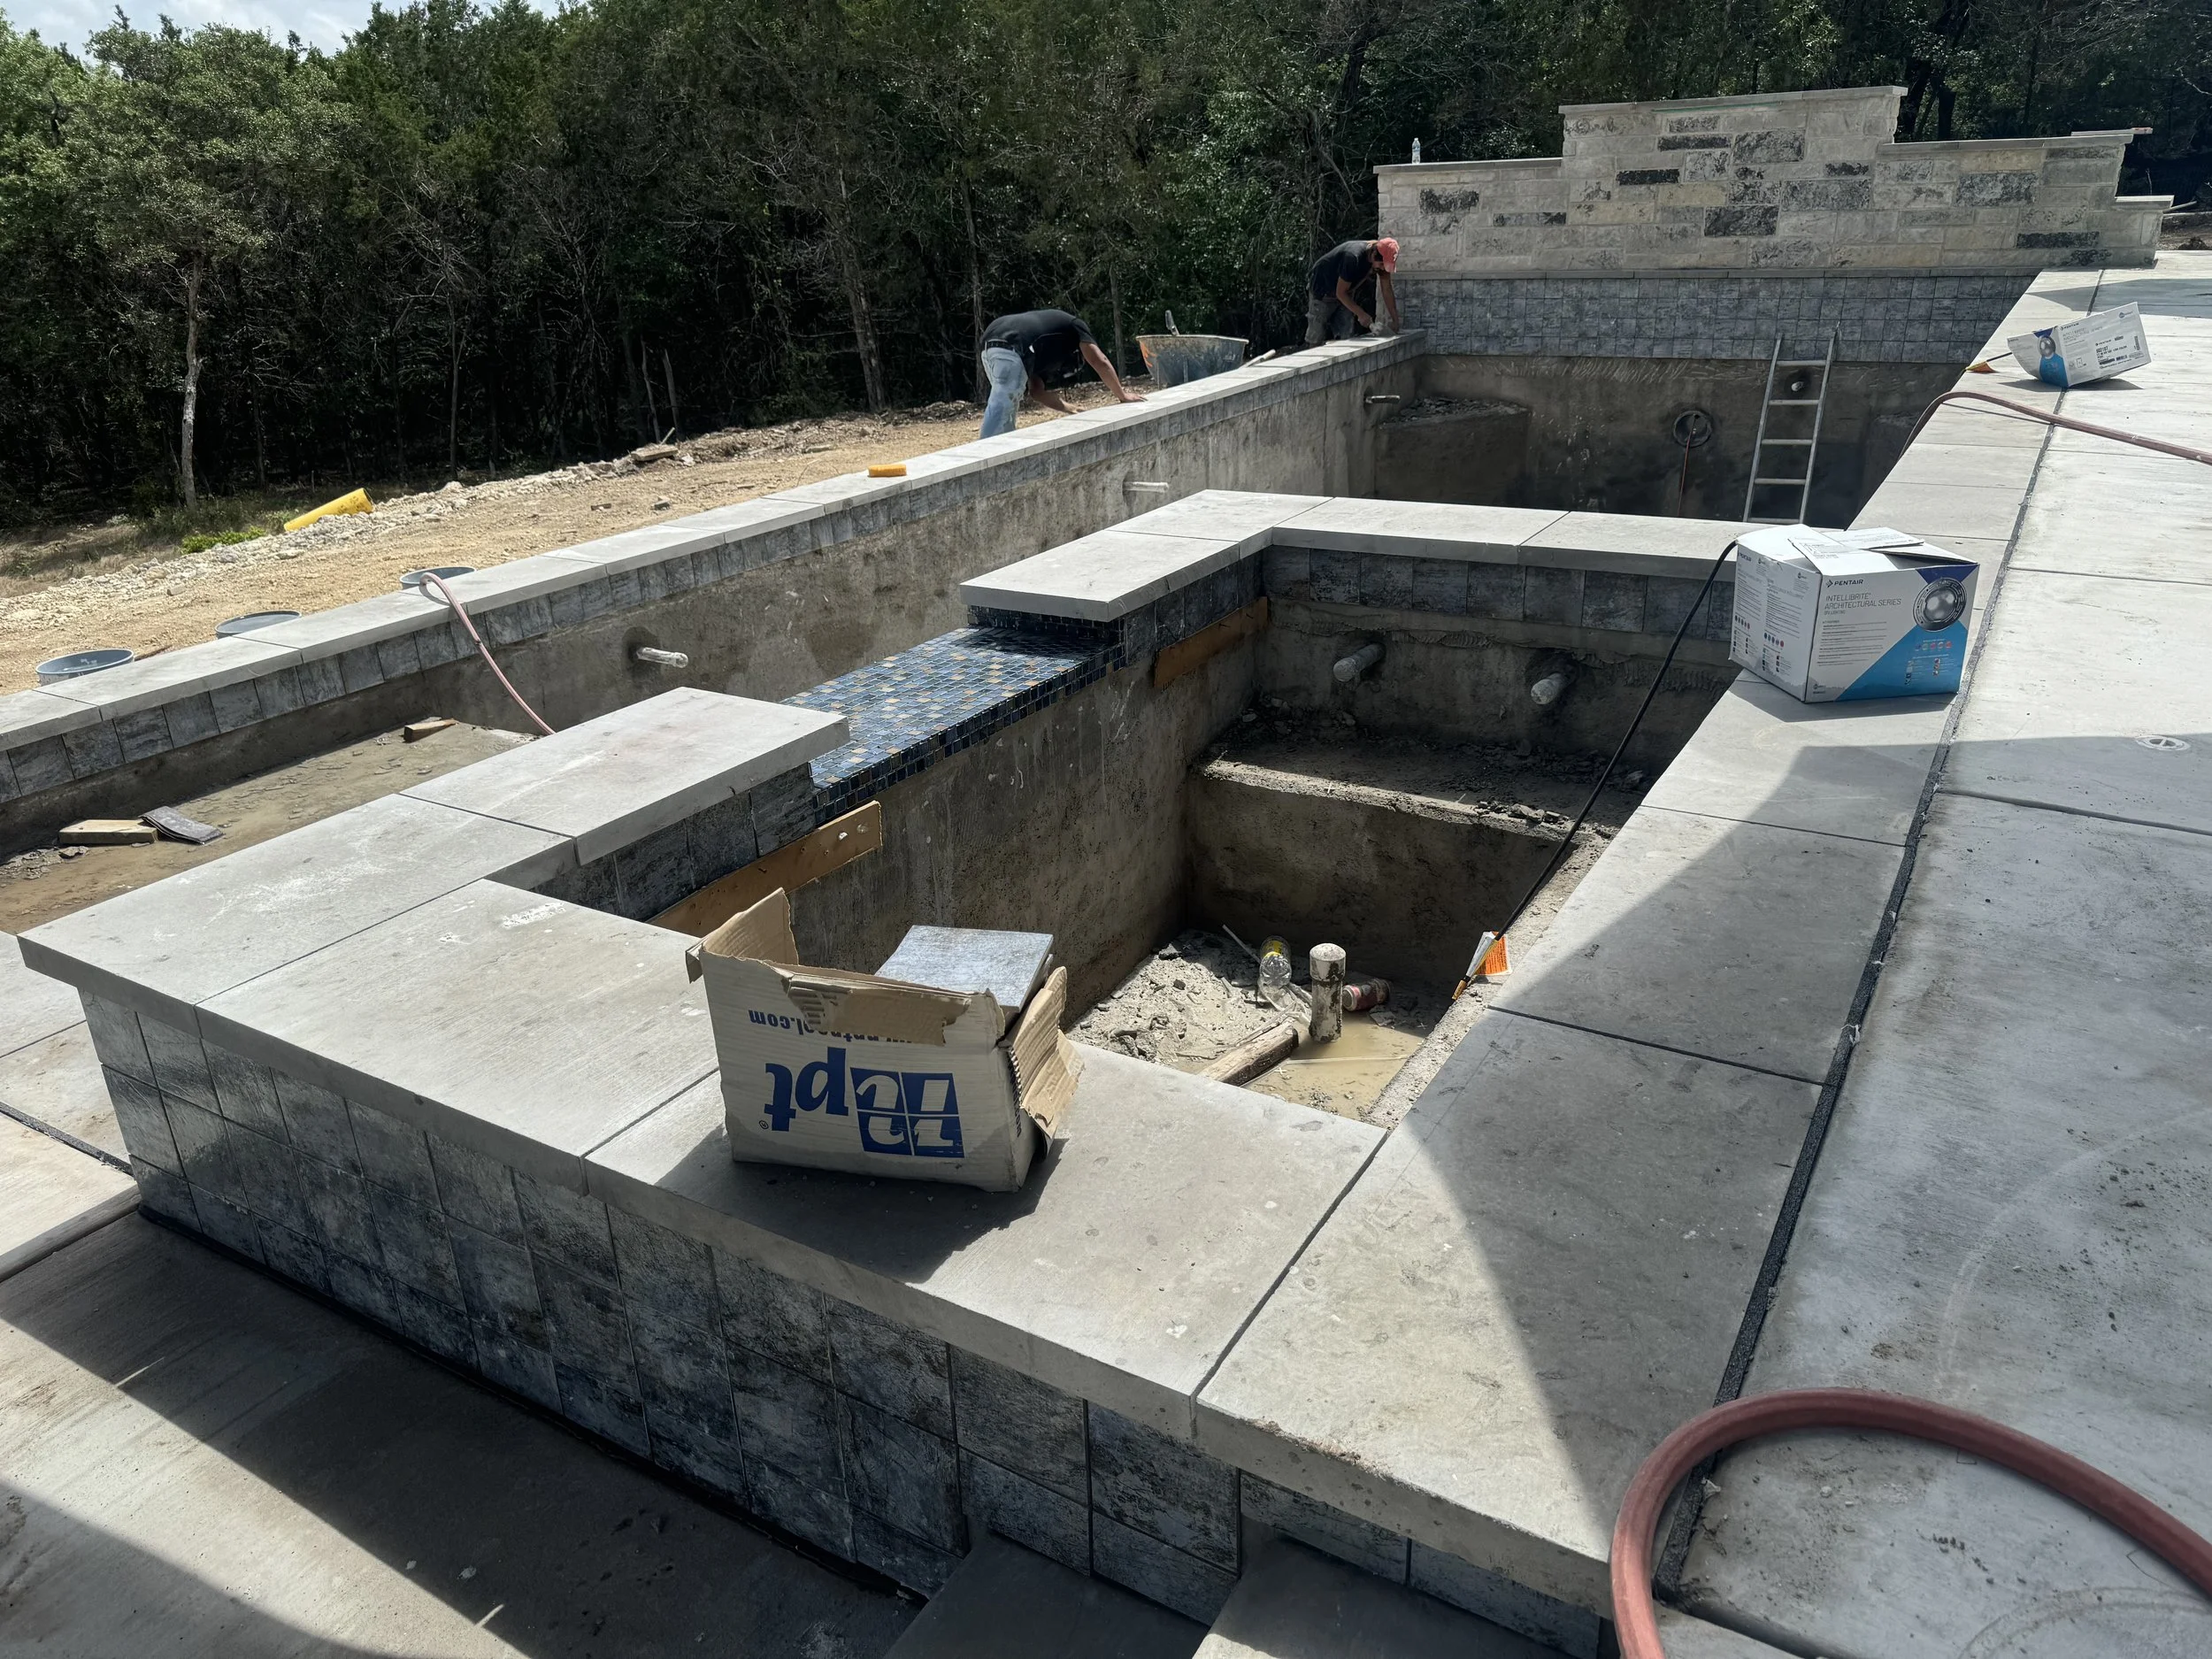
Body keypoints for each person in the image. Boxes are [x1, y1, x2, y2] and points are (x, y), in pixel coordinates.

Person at [978, 309, 1144, 438]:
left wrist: (1070, 408)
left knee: (1008, 407)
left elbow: (1037, 392)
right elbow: (1099, 361)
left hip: (990, 344)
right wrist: (1122, 395)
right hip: (1010, 343)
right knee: (1002, 404)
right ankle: (985, 458)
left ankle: (1002, 453)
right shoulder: (1076, 325)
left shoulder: (1043, 349)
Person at [1305, 237, 1401, 347]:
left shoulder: (1380, 263)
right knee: (1316, 333)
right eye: (1382, 264)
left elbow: (1387, 290)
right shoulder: (1353, 256)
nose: (1383, 269)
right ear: (1374, 254)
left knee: (1347, 334)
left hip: (1345, 291)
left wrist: (1395, 320)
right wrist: (1362, 314)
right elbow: (1340, 293)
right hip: (1323, 289)